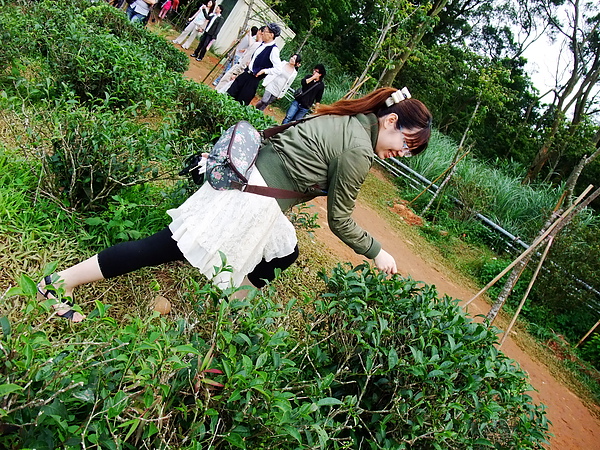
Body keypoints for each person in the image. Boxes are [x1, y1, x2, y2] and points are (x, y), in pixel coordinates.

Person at [36, 87, 432, 322]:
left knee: (284, 251)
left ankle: (219, 312)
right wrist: (378, 253)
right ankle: (56, 284)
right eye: (406, 144)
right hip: (252, 199)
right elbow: (341, 221)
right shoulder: (359, 148)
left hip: (250, 185)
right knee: (162, 247)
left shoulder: (349, 119)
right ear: (391, 121)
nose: (402, 154)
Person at [227, 23, 282, 105]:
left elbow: (279, 69)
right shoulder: (262, 45)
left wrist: (264, 71)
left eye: (265, 31)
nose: (262, 33)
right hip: (245, 74)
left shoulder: (273, 50)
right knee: (229, 95)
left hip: (252, 80)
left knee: (240, 103)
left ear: (271, 35)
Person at [215, 26, 263, 93]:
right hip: (240, 63)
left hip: (239, 65)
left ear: (260, 32)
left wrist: (235, 73)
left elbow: (245, 61)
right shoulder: (261, 47)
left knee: (224, 84)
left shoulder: (255, 44)